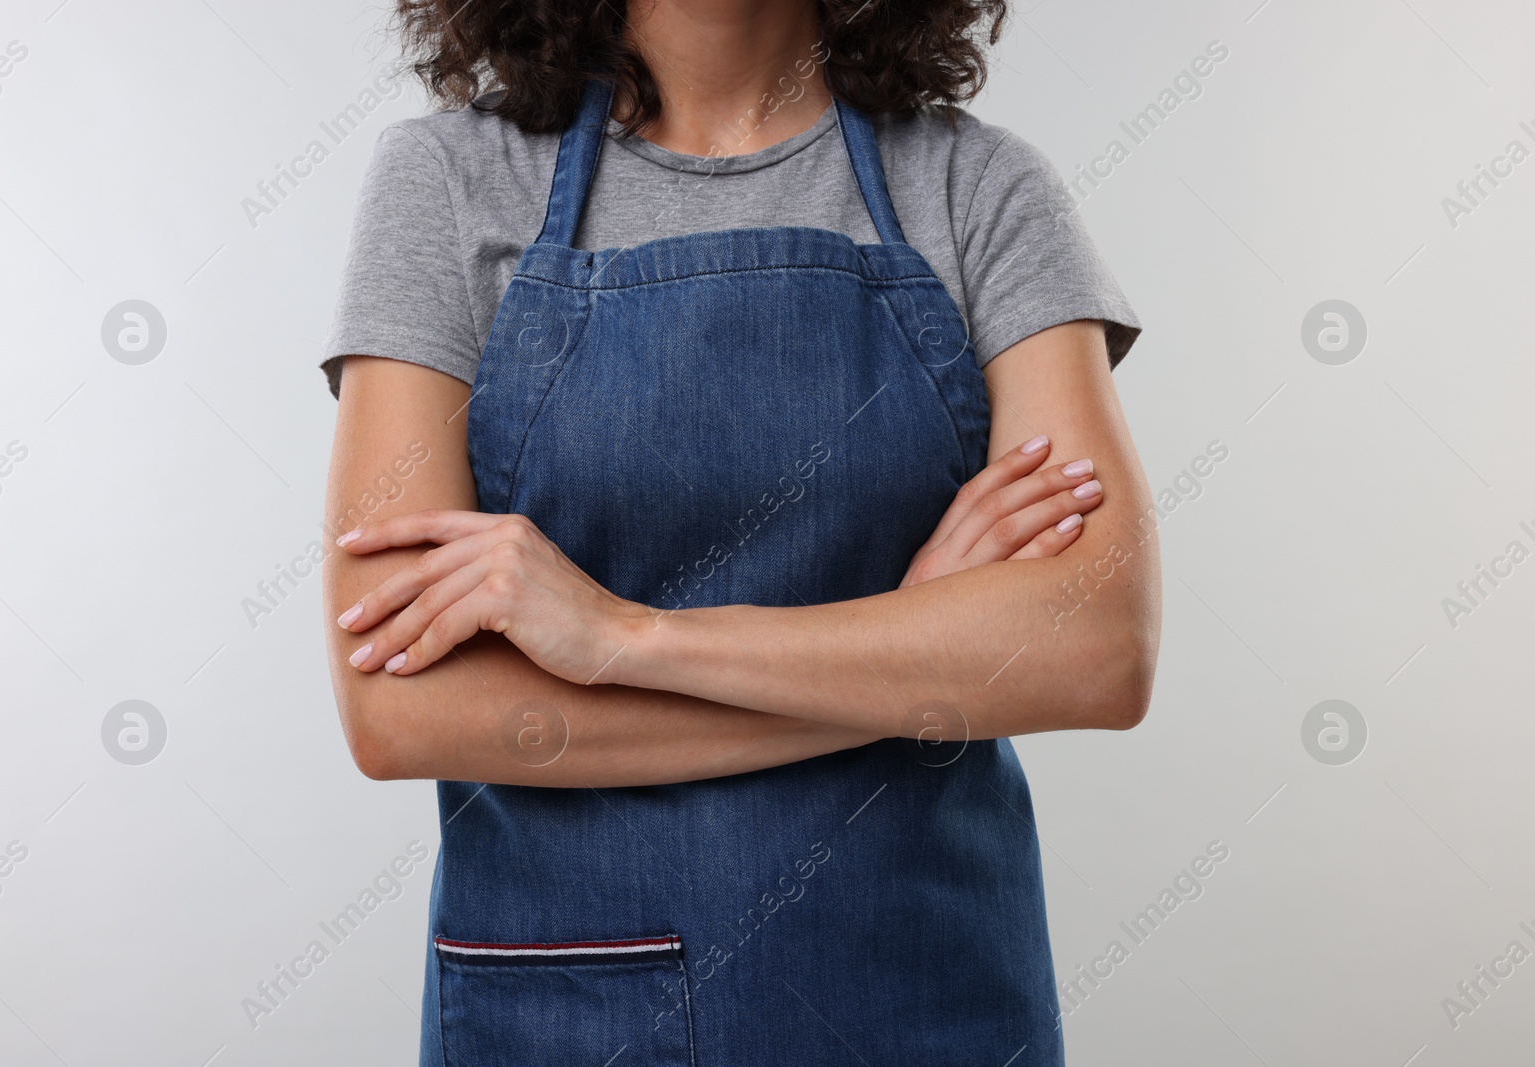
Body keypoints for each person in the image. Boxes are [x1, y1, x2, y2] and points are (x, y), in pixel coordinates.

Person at [317, 1, 1160, 1063]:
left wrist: (628, 636)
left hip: (921, 997)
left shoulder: (978, 189)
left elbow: (1096, 649)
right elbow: (403, 703)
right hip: (572, 1014)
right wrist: (911, 652)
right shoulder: (446, 182)